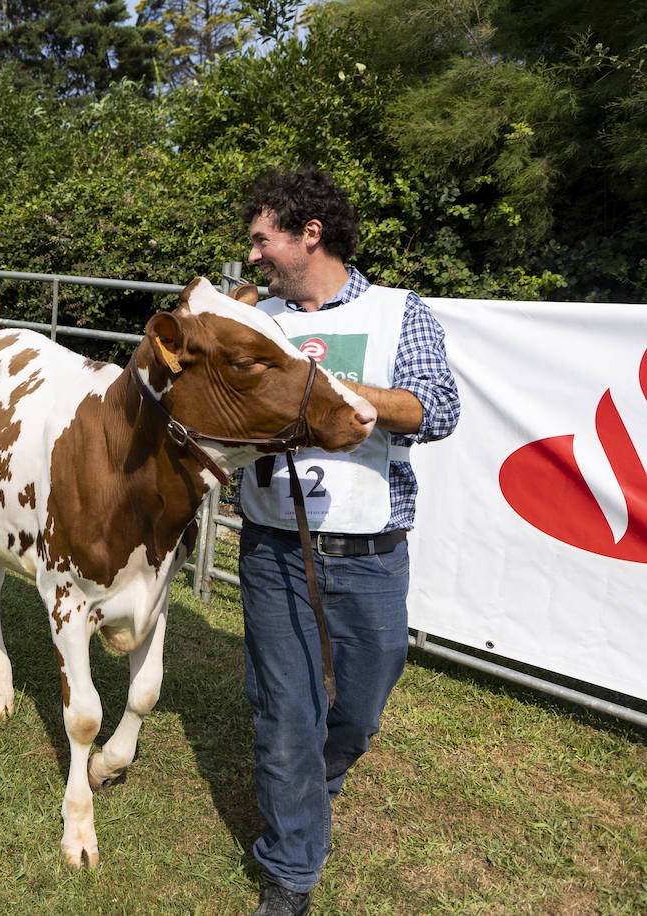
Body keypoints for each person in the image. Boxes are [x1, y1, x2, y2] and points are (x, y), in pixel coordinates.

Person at [235, 167, 460, 916]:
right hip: (273, 548)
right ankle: (291, 868)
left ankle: (315, 784)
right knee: (285, 714)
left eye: (264, 239)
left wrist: (335, 394)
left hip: (369, 552)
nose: (256, 253)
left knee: (358, 711)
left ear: (310, 234)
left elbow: (436, 408)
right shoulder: (258, 315)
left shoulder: (400, 312)